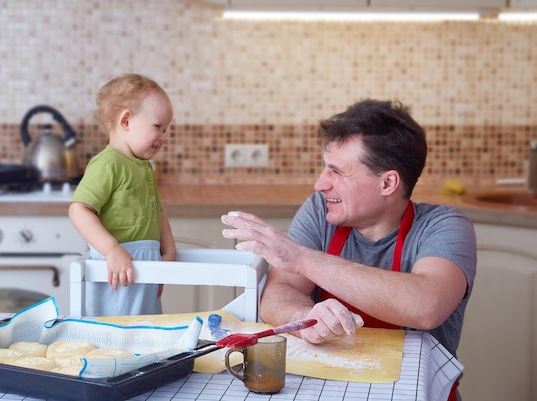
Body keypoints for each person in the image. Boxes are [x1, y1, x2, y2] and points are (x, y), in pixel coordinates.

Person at [221, 99, 476, 401]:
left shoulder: (445, 226)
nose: (320, 184)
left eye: (337, 172)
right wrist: (305, 319)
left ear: (387, 183)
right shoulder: (321, 211)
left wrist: (301, 258)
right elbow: (280, 291)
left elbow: (426, 305)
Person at [69, 73, 176, 316]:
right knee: (116, 335)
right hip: (117, 271)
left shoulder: (143, 166)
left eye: (165, 129)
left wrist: (169, 253)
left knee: (144, 334)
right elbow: (79, 209)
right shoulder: (108, 163)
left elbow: (156, 211)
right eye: (158, 127)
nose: (163, 137)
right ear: (126, 121)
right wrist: (112, 250)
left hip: (144, 270)